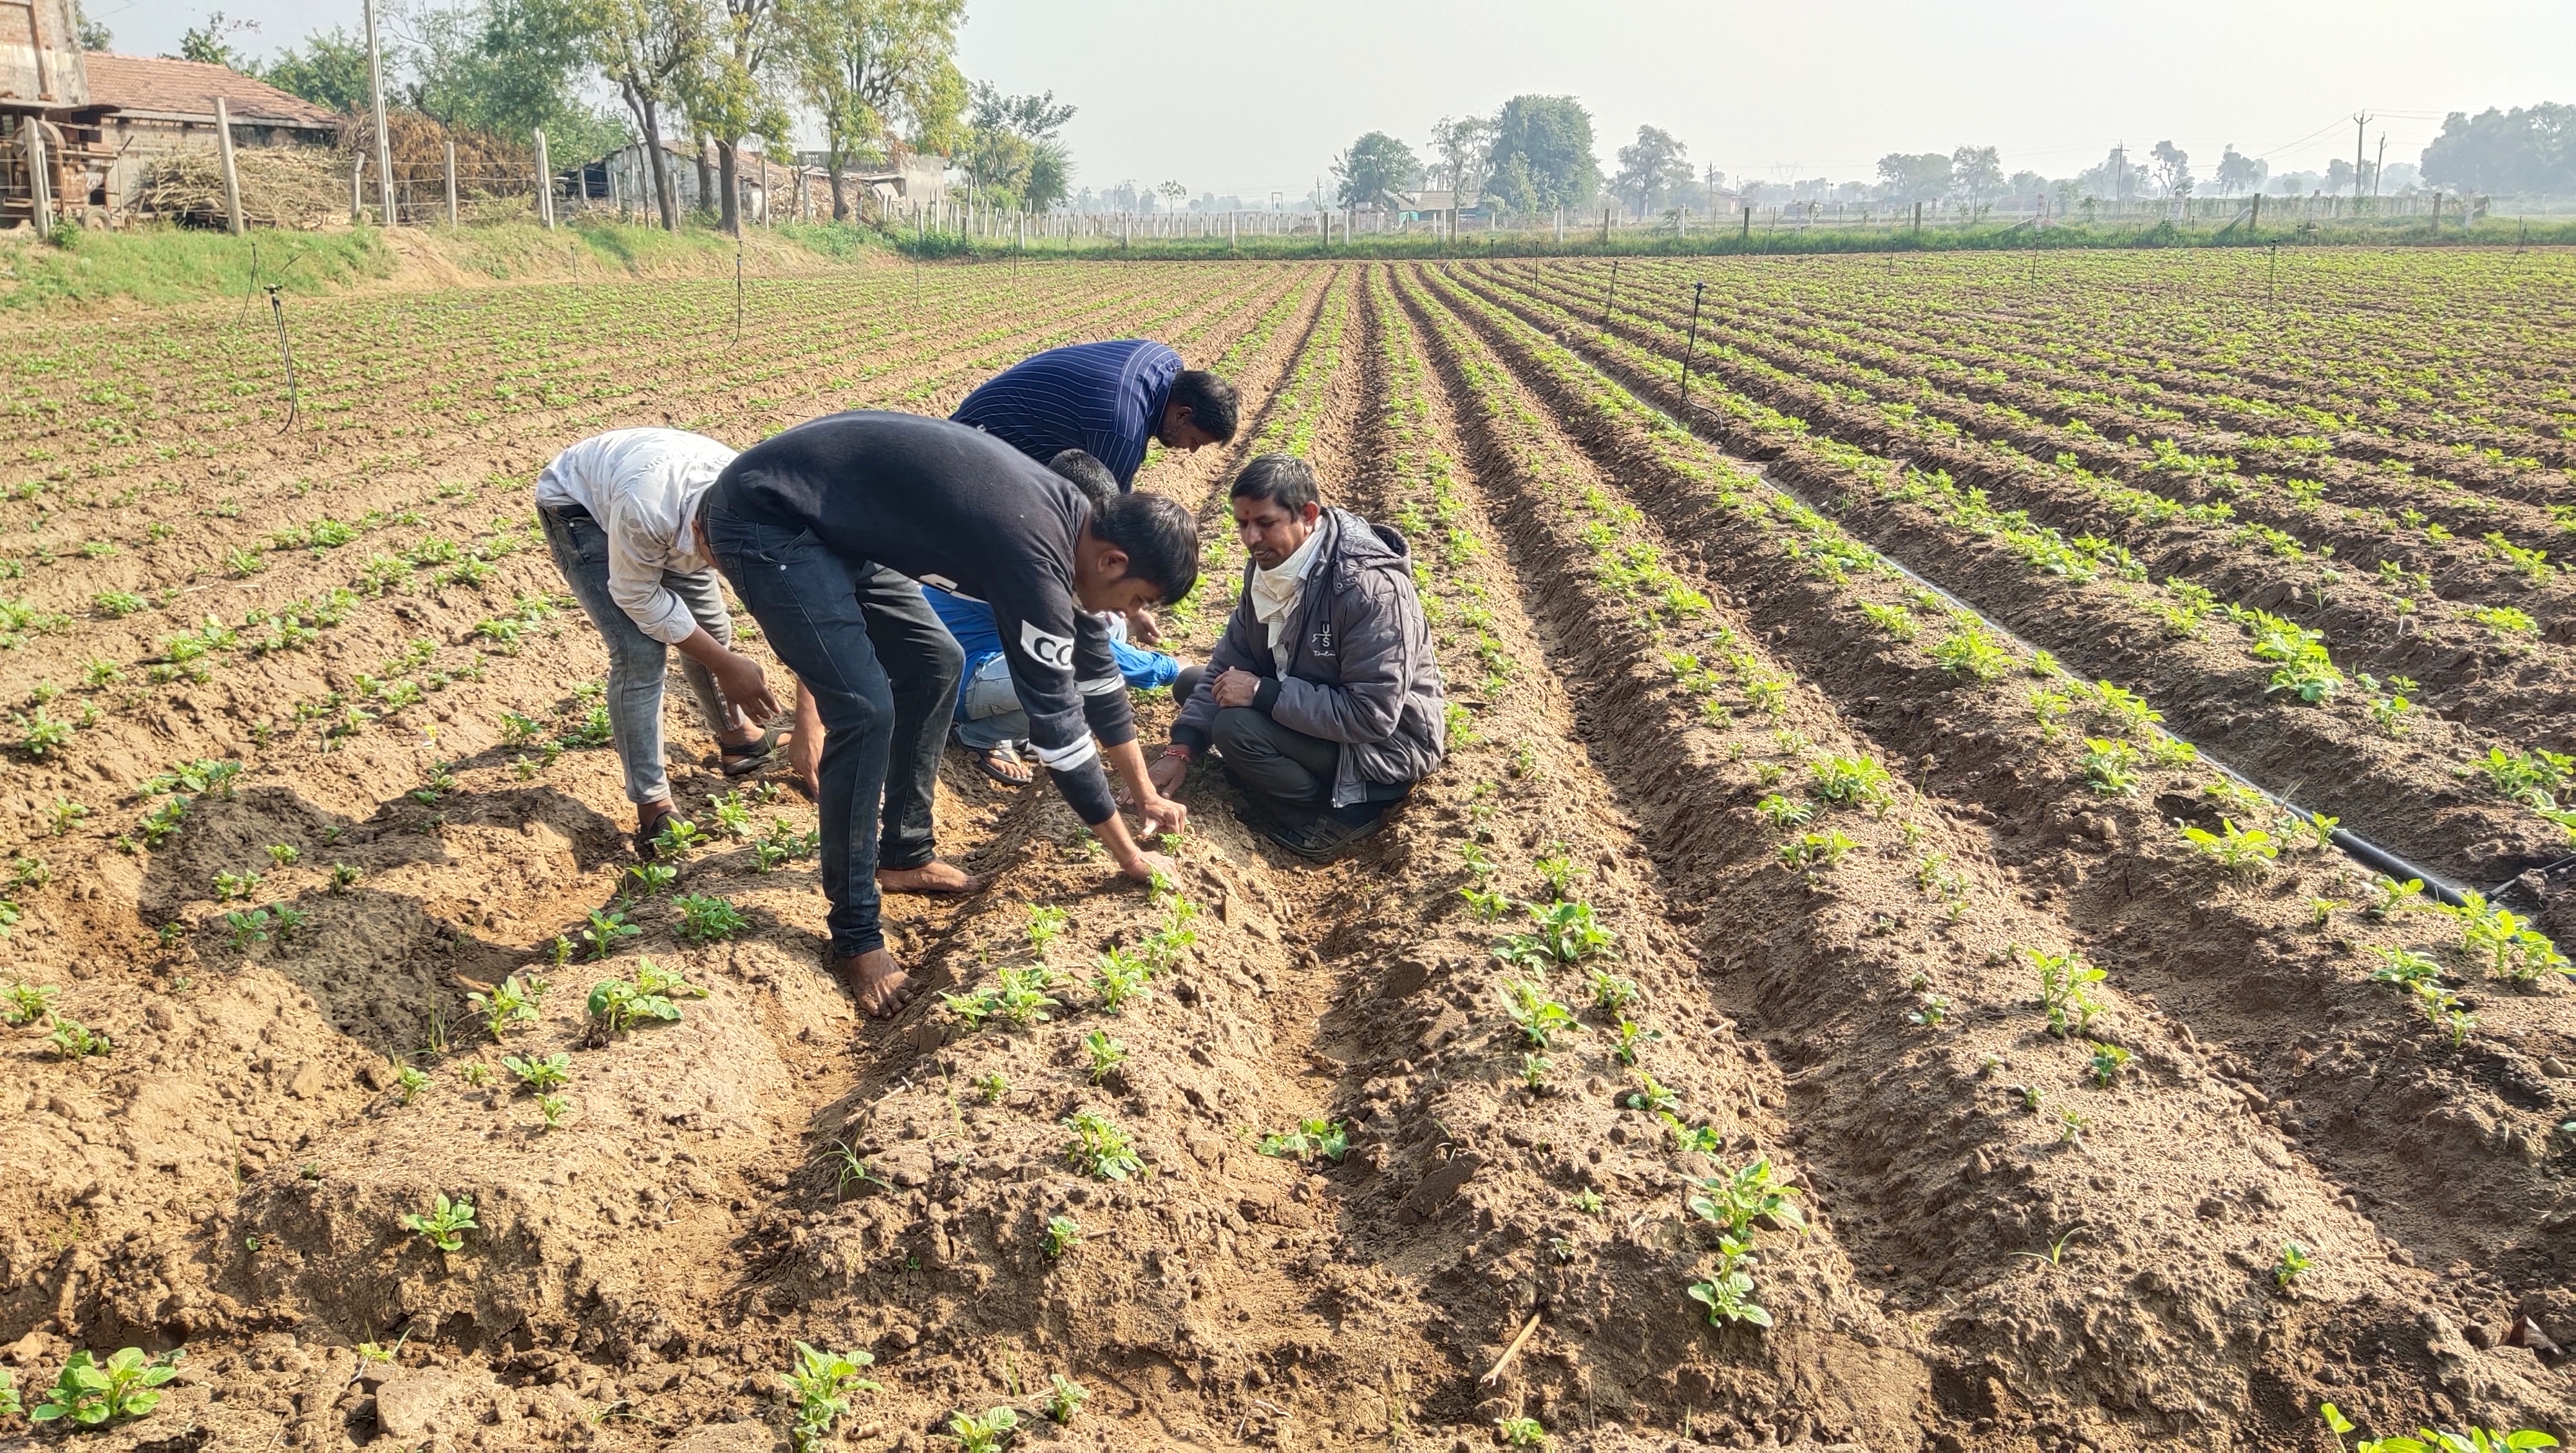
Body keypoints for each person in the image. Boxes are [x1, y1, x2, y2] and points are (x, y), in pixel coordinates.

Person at [700, 411, 1200, 1018]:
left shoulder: (1075, 531)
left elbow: (1099, 680)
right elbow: (1059, 726)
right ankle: (856, 936)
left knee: (936, 664)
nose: (1133, 612)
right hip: (769, 516)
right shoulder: (1036, 555)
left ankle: (904, 854)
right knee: (863, 709)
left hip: (839, 524)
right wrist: (1128, 854)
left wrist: (1143, 794)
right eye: (1140, 601)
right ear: (1114, 562)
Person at [1153, 454, 1444, 861]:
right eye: (1242, 524)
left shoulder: (1368, 589)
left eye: (1265, 523)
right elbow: (1229, 660)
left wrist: (1262, 693)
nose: (1251, 538)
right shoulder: (1269, 569)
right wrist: (1181, 749)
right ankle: (1279, 774)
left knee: (1236, 727)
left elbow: (1373, 715)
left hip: (1382, 747)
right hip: (1315, 708)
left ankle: (1338, 810)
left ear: (1308, 515)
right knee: (1195, 686)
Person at [535, 428, 785, 859]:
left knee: (712, 627)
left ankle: (739, 739)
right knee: (639, 653)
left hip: (665, 495)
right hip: (581, 506)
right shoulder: (645, 513)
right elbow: (637, 595)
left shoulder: (745, 500)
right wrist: (725, 664)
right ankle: (654, 807)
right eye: (717, 558)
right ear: (698, 534)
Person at [925, 450, 1179, 786]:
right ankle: (983, 735)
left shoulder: (1038, 532)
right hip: (956, 680)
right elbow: (1082, 652)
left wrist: (1132, 608)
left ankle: (1019, 726)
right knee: (1069, 673)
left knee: (1111, 625)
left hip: (991, 658)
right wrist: (1173, 669)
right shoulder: (1029, 558)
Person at [950, 339, 1239, 494]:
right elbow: (1106, 518)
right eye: (1195, 440)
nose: (1190, 449)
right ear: (1183, 414)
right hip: (980, 440)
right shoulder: (1121, 429)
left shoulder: (1164, 360)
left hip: (1001, 410)